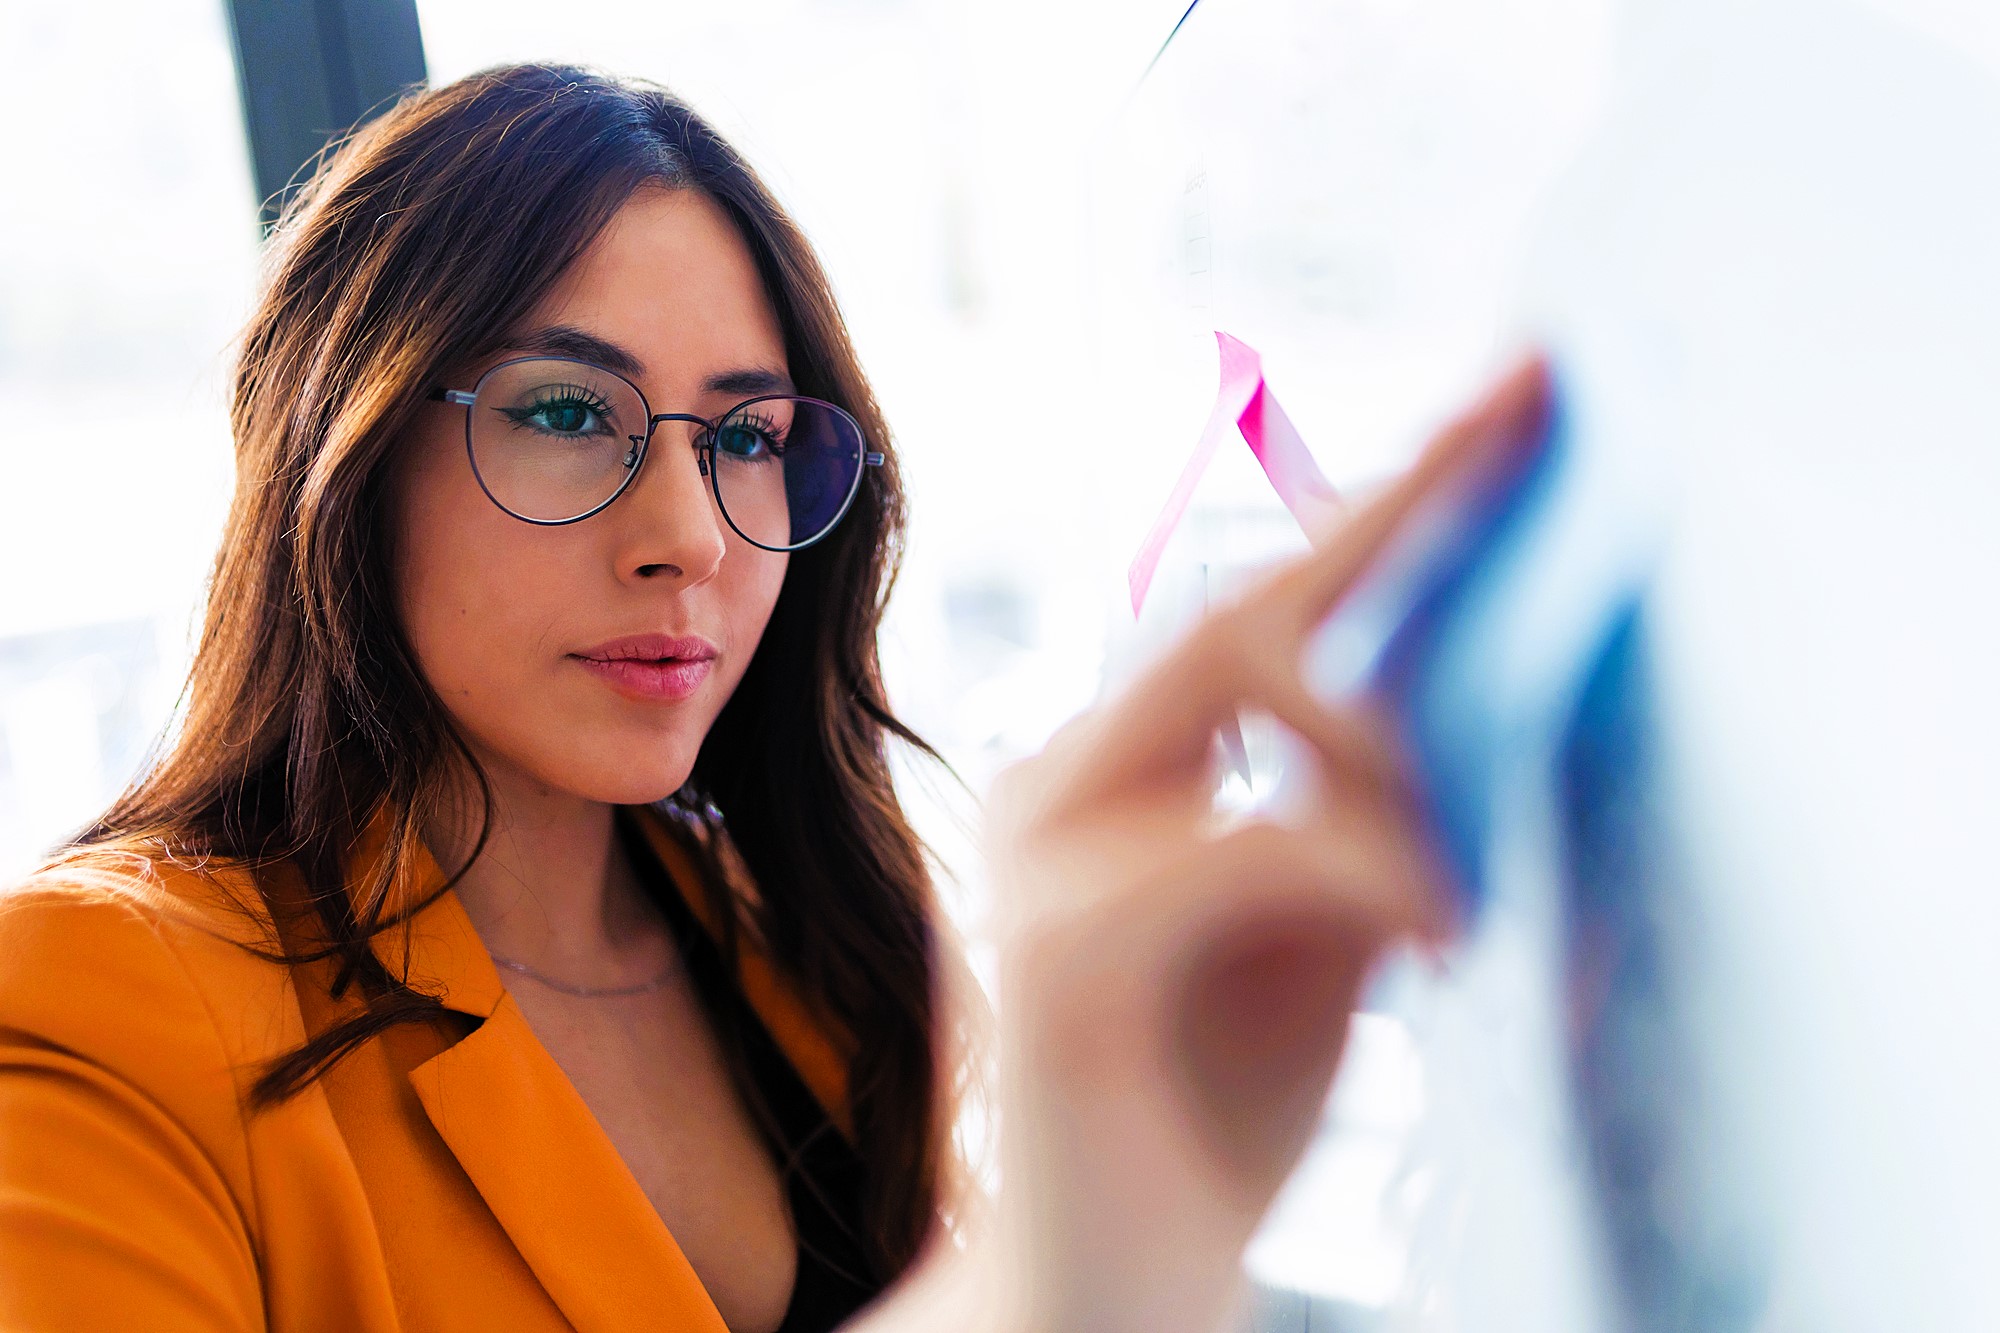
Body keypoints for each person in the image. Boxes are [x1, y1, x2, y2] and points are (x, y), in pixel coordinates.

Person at [0, 62, 1549, 1333]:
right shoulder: (96, 1001)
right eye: (564, 412)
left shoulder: (800, 938)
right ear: (346, 454)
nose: (686, 534)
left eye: (745, 440)